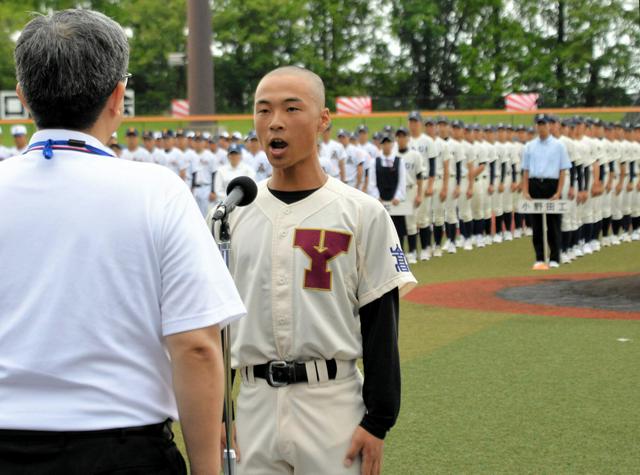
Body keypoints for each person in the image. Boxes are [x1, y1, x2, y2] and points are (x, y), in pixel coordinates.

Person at [0, 9, 245, 475]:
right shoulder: (157, 189)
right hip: (122, 448)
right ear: (118, 96)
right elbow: (196, 345)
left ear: (24, 99)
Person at [216, 66, 416, 475]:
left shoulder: (361, 212)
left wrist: (378, 421)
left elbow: (381, 324)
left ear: (324, 119)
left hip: (333, 405)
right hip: (253, 406)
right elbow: (214, 330)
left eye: (292, 109)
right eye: (263, 110)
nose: (275, 122)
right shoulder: (231, 216)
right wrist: (221, 413)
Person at [522, 114, 571, 268]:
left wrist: (558, 192)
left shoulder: (559, 146)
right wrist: (525, 190)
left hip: (552, 184)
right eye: (538, 124)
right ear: (535, 126)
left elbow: (563, 170)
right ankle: (539, 258)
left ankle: (555, 257)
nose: (541, 127)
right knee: (536, 225)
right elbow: (525, 170)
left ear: (549, 125)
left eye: (543, 124)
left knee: (553, 224)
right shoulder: (529, 146)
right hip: (535, 184)